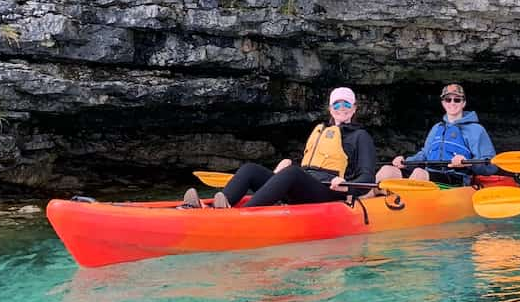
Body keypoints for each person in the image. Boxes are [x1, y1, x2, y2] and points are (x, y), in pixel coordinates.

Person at [182, 87, 378, 208]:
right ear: (330, 109)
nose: (341, 108)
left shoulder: (361, 136)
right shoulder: (321, 131)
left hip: (330, 192)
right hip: (305, 187)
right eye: (336, 104)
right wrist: (280, 171)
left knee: (293, 173)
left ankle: (243, 215)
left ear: (354, 108)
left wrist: (346, 185)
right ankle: (220, 204)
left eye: (346, 104)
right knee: (251, 169)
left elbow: (367, 178)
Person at [376, 82, 496, 186]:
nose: (452, 103)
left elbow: (491, 165)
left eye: (457, 100)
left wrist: (468, 162)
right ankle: (374, 203)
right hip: (430, 174)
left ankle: (404, 206)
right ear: (443, 103)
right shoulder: (437, 128)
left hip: (457, 178)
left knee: (419, 174)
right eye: (448, 99)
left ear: (463, 103)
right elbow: (424, 154)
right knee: (387, 171)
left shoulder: (476, 130)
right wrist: (405, 163)